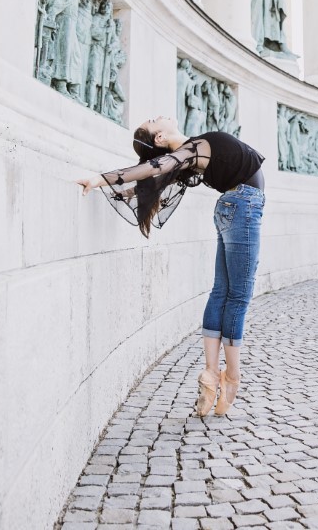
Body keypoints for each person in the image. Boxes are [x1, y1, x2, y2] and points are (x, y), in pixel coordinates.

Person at [76, 117, 265, 418]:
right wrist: (102, 179)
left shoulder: (191, 156)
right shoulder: (193, 150)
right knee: (238, 296)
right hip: (244, 205)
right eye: (153, 123)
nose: (155, 117)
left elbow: (155, 177)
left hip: (233, 207)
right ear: (161, 137)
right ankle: (232, 376)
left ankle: (210, 373)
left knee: (221, 292)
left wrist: (125, 190)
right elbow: (153, 169)